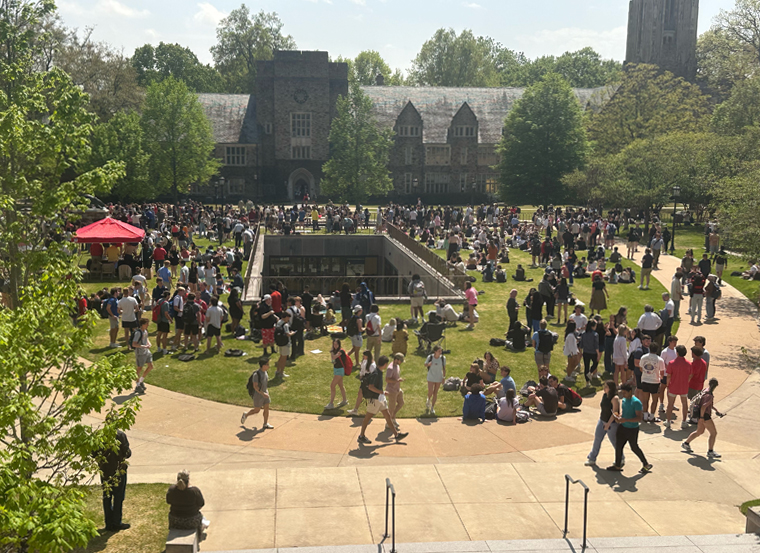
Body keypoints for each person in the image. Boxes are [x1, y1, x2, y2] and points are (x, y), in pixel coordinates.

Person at [357, 355, 409, 444]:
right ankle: (361, 436)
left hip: (380, 399)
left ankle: (396, 435)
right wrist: (382, 392)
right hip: (375, 400)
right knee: (367, 418)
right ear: (384, 364)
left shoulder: (379, 372)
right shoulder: (376, 374)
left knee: (388, 416)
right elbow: (371, 387)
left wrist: (382, 393)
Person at [607, 383, 652, 474]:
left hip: (632, 429)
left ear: (630, 391)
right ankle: (617, 465)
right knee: (618, 446)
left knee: (634, 447)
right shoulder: (624, 400)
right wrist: (619, 417)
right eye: (622, 393)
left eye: (624, 393)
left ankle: (646, 464)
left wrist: (625, 420)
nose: (623, 395)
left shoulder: (636, 402)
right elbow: (624, 413)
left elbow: (639, 418)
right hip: (622, 427)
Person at [95, 424, 131, 532]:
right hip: (119, 470)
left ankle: (109, 523)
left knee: (107, 496)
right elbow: (127, 452)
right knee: (118, 496)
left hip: (104, 471)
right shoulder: (120, 435)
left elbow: (93, 452)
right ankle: (116, 522)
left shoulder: (99, 436)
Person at [682, 378, 724, 458]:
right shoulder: (710, 395)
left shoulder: (705, 391)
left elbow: (708, 405)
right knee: (713, 433)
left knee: (699, 431)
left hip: (700, 415)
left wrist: (716, 411)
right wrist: (702, 418)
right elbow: (704, 406)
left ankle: (686, 443)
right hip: (705, 416)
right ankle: (710, 451)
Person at [586, 380, 623, 467]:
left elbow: (615, 413)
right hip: (602, 420)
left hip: (612, 423)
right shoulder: (604, 395)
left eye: (606, 387)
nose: (604, 388)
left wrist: (608, 424)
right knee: (597, 439)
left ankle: (620, 458)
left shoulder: (615, 398)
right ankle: (592, 458)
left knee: (614, 441)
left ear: (611, 388)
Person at [166, 471, 208, 536]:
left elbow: (168, 501)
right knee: (200, 517)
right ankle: (198, 536)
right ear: (188, 480)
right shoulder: (194, 491)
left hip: (175, 521)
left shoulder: (172, 490)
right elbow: (201, 504)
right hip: (191, 521)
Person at [241, 357, 274, 429]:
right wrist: (263, 394)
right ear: (263, 365)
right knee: (256, 410)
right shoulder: (256, 374)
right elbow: (255, 387)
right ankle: (246, 415)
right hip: (258, 395)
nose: (269, 366)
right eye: (267, 364)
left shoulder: (265, 372)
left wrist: (266, 393)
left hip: (265, 393)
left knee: (266, 407)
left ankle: (265, 423)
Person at [665, 345, 692, 429]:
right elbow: (690, 375)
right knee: (684, 404)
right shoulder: (688, 364)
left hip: (673, 386)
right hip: (684, 386)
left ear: (677, 353)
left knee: (670, 404)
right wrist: (686, 381)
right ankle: (684, 421)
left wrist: (667, 385)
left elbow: (669, 375)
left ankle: (668, 421)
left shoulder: (672, 363)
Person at [638, 343, 665, 422]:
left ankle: (645, 415)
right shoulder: (660, 360)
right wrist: (660, 378)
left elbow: (641, 368)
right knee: (654, 400)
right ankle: (652, 416)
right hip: (655, 382)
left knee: (645, 399)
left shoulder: (643, 357)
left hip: (645, 380)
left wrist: (646, 373)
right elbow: (662, 372)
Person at [347, 351, 376, 417]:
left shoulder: (372, 365)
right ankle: (355, 410)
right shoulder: (365, 361)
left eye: (364, 356)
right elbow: (362, 370)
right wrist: (361, 376)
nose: (363, 357)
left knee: (370, 396)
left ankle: (372, 410)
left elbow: (373, 374)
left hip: (369, 381)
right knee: (360, 394)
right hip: (364, 380)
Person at [131, 318, 154, 393]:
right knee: (139, 368)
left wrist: (148, 343)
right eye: (146, 324)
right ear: (142, 324)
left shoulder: (145, 331)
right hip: (140, 353)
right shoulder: (138, 333)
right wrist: (143, 346)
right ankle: (137, 384)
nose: (148, 325)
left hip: (146, 351)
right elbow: (134, 344)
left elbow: (146, 339)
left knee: (150, 366)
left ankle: (141, 380)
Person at [325, 339, 349, 410]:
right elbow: (333, 360)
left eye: (336, 344)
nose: (335, 346)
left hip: (340, 370)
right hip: (336, 370)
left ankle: (331, 403)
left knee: (332, 386)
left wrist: (332, 352)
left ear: (339, 344)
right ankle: (344, 400)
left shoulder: (341, 351)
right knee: (341, 385)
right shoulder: (334, 351)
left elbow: (334, 357)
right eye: (334, 344)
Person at [385, 353, 405, 429]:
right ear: (396, 359)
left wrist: (397, 381)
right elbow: (387, 379)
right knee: (391, 408)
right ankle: (388, 423)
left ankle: (392, 418)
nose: (401, 362)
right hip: (391, 390)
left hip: (397, 389)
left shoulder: (397, 366)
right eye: (401, 361)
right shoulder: (390, 368)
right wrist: (397, 380)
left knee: (401, 403)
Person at [425, 345, 446, 415]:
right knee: (430, 391)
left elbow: (444, 368)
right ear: (435, 351)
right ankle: (428, 399)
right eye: (439, 351)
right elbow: (425, 364)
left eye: (441, 351)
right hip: (431, 376)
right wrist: (428, 364)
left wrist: (443, 377)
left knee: (435, 392)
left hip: (438, 377)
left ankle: (432, 408)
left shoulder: (443, 358)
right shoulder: (430, 357)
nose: (440, 352)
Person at [580, 320, 601, 386]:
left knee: (586, 366)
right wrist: (598, 354)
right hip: (593, 352)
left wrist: (581, 352)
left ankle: (587, 382)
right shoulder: (595, 334)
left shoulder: (583, 334)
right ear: (593, 326)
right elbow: (596, 345)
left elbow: (581, 344)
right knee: (595, 363)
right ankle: (590, 372)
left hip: (586, 352)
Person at [274, 311, 294, 380]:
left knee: (281, 357)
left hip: (280, 343)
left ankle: (277, 371)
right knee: (284, 358)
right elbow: (287, 334)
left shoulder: (278, 323)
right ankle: (281, 372)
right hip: (285, 343)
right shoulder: (285, 325)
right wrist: (292, 333)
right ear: (285, 317)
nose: (288, 320)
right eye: (288, 318)